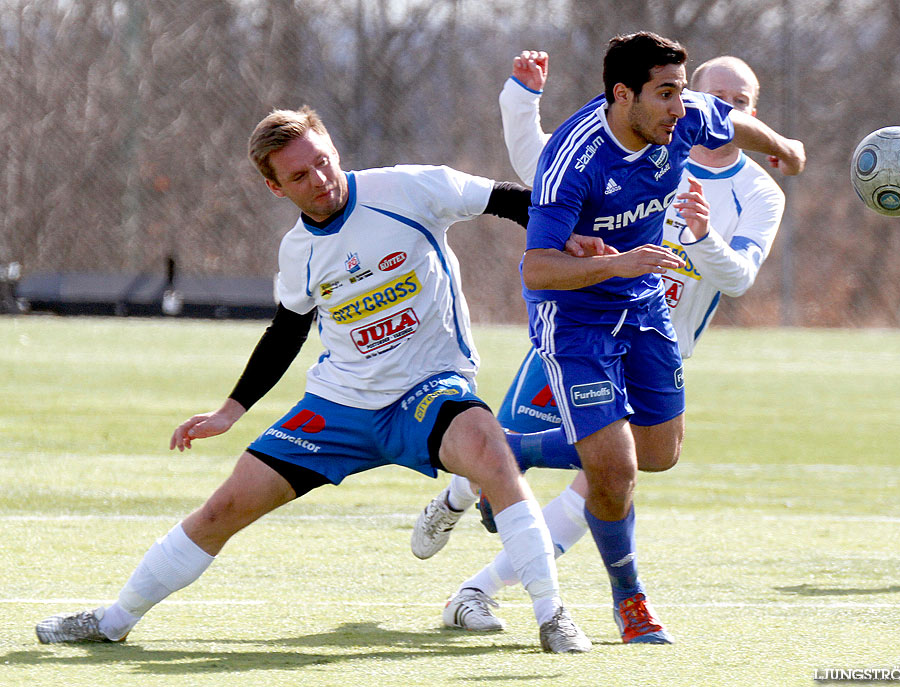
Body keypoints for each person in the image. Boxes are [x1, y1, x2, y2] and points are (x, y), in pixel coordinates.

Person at [34, 105, 592, 654]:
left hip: (430, 388)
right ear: (277, 188)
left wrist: (563, 237)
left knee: (495, 457)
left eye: (322, 161)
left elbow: (512, 201)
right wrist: (231, 409)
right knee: (222, 508)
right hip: (339, 405)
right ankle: (113, 620)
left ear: (334, 150)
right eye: (300, 175)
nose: (320, 180)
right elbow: (286, 331)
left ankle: (552, 615)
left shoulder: (410, 188)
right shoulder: (298, 251)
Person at [411, 33, 802, 645]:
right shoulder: (578, 158)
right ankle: (631, 604)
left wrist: (786, 149)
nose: (685, 106)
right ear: (624, 96)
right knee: (613, 471)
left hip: (646, 311)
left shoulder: (692, 125)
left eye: (685, 93)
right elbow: (536, 267)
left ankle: (513, 451)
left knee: (657, 455)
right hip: (576, 321)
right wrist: (615, 264)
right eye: (668, 93)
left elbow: (731, 127)